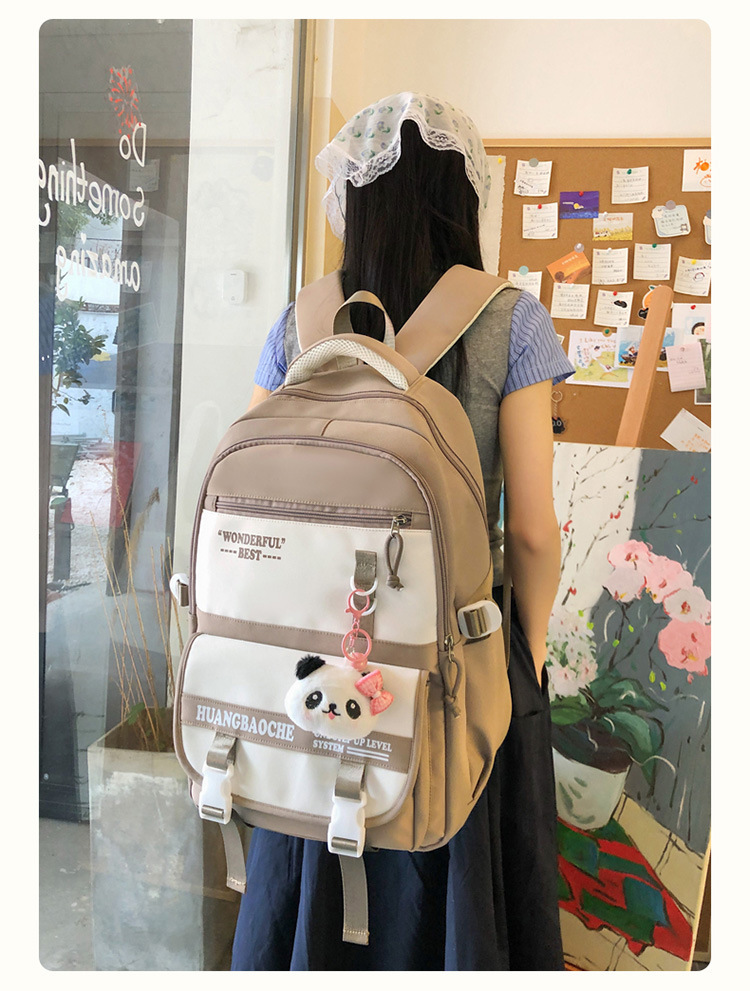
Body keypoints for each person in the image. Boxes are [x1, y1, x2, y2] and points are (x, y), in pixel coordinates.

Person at [231, 92, 574, 972]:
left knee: (316, 876)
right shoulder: (512, 319)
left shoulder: (302, 321)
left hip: (320, 666)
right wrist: (528, 654)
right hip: (459, 661)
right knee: (459, 897)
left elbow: (253, 481)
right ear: (465, 195)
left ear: (355, 195)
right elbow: (534, 533)